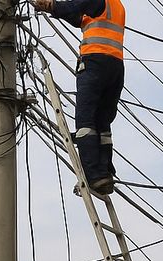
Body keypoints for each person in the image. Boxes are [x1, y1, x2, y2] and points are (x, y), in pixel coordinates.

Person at [31, 0, 125, 196]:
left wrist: (49, 5)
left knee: (85, 123)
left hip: (95, 62)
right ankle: (105, 172)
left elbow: (74, 7)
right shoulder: (116, 6)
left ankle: (94, 176)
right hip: (115, 66)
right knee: (102, 124)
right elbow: (79, 17)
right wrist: (55, 10)